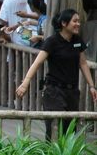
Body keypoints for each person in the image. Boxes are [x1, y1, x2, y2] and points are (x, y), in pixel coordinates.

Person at [16, 9, 97, 139]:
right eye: (75, 21)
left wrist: (92, 86)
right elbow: (37, 63)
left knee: (70, 128)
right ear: (64, 23)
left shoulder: (77, 41)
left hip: (72, 91)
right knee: (55, 127)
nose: (78, 24)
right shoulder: (52, 41)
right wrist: (25, 83)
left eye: (79, 21)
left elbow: (83, 64)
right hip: (54, 91)